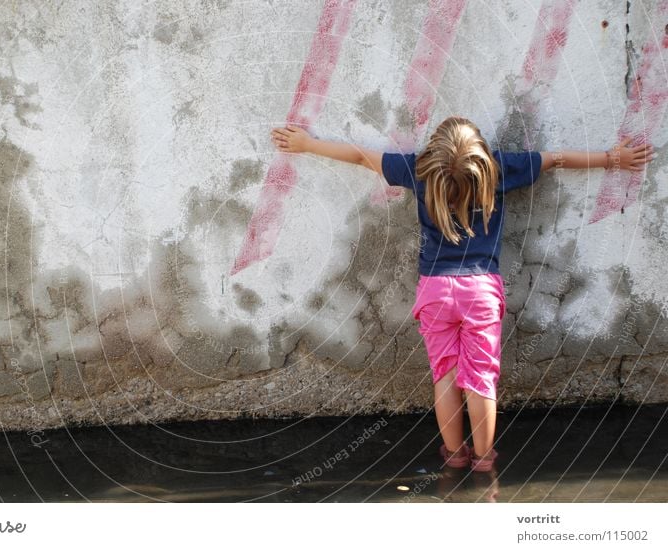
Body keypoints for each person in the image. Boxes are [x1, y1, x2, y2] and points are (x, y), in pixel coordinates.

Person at [270, 116, 653, 471]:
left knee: (446, 375)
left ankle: (454, 456)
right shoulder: (498, 170)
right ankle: (485, 461)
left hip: (435, 290)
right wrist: (612, 158)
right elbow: (554, 160)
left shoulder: (418, 170)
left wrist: (307, 144)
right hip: (480, 290)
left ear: (434, 152)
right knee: (481, 379)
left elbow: (357, 156)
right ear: (480, 155)